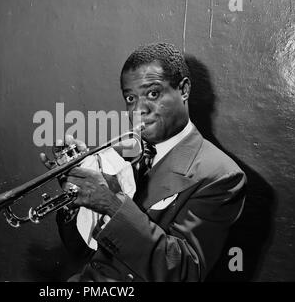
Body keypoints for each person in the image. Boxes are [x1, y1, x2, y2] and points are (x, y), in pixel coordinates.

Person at [40, 42, 246, 282]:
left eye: (153, 94)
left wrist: (110, 201)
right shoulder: (119, 152)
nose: (138, 109)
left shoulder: (221, 175)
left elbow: (184, 272)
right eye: (130, 98)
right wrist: (76, 199)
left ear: (184, 90)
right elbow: (81, 250)